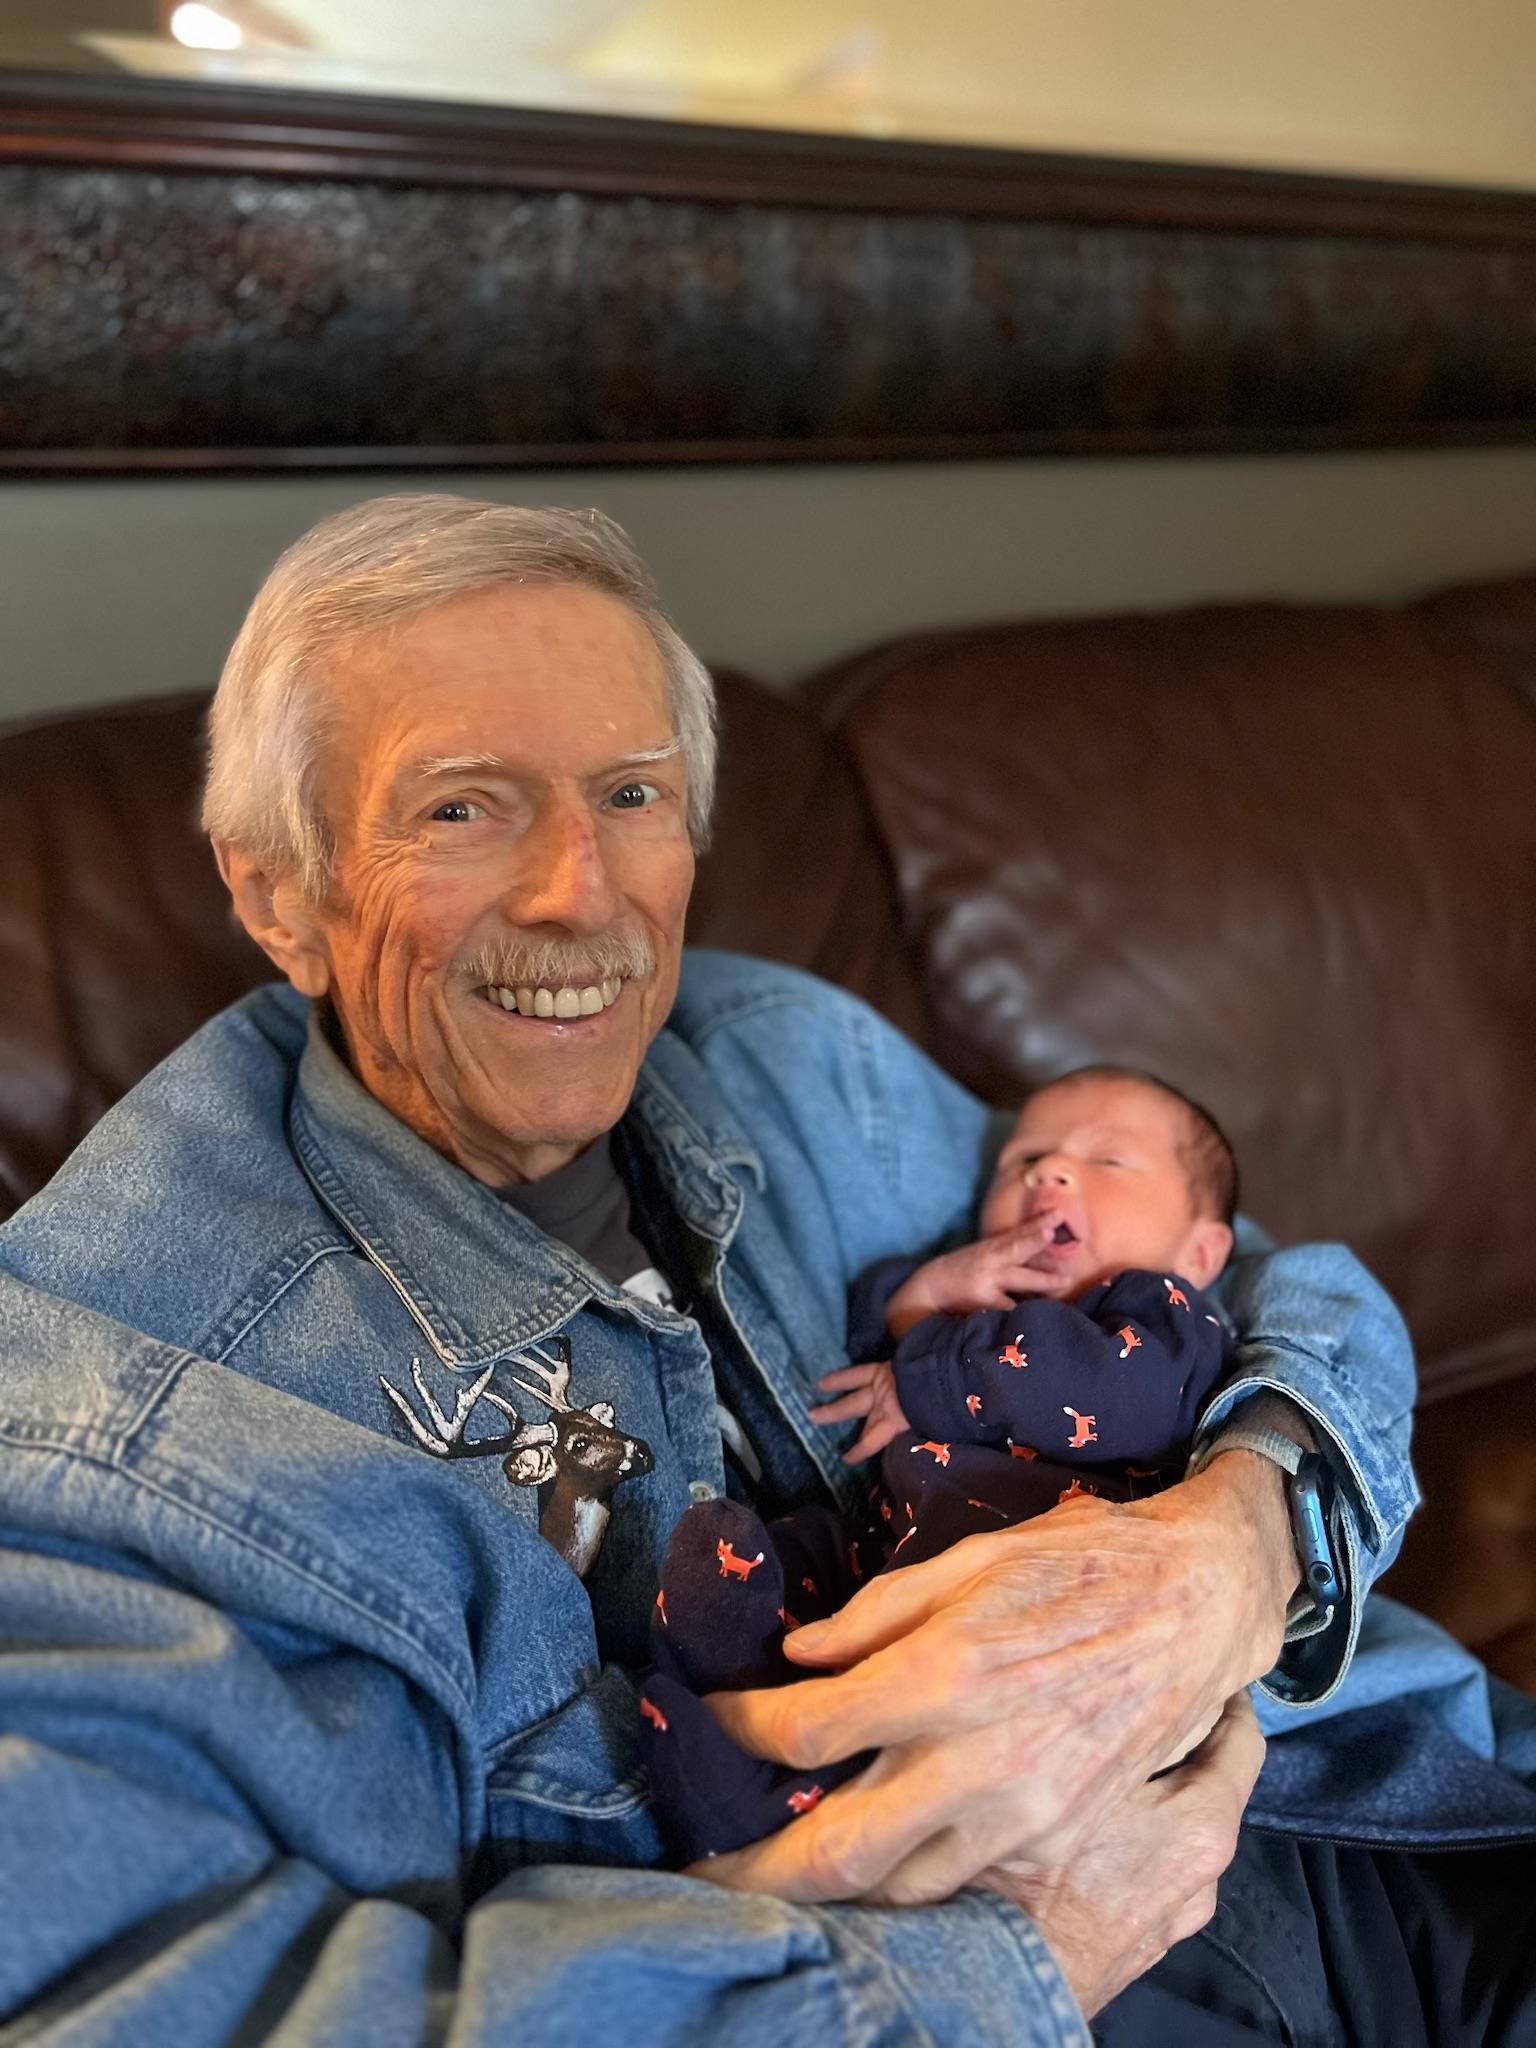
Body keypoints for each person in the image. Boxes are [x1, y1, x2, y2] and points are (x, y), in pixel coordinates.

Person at [0, 493, 1532, 2045]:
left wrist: (1247, 1534)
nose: (579, 895)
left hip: (1390, 1819)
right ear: (277, 890)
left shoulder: (793, 1057)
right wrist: (1027, 1965)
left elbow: (1231, 1261)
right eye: (463, 806)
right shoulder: (112, 1396)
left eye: (631, 793)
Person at [642, 1066, 1242, 1861]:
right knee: (774, 1557)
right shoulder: (976, 1294)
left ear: (1200, 1250)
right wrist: (917, 1298)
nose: (1049, 1173)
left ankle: (773, 1800)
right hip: (884, 1554)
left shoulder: (1169, 1318)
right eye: (1023, 1160)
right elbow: (859, 1376)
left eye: (1109, 1162)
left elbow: (1095, 1386)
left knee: (911, 1713)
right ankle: (726, 1698)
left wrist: (926, 1366)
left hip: (1026, 1593)